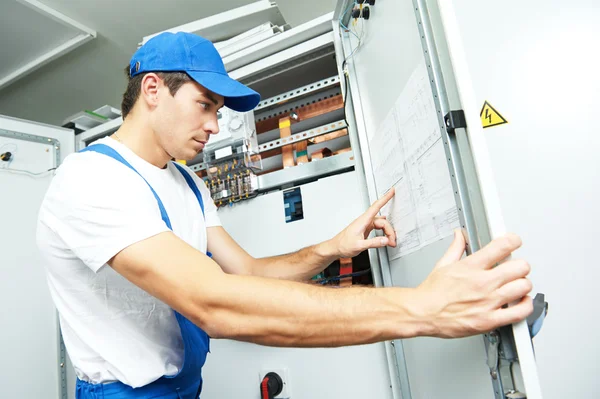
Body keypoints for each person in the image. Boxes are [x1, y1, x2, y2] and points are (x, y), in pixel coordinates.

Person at [36, 32, 533, 399]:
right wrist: (421, 308)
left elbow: (247, 273)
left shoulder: (186, 181)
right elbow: (215, 304)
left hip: (185, 387)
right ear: (151, 90)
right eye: (205, 105)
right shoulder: (91, 182)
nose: (214, 125)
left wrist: (333, 248)